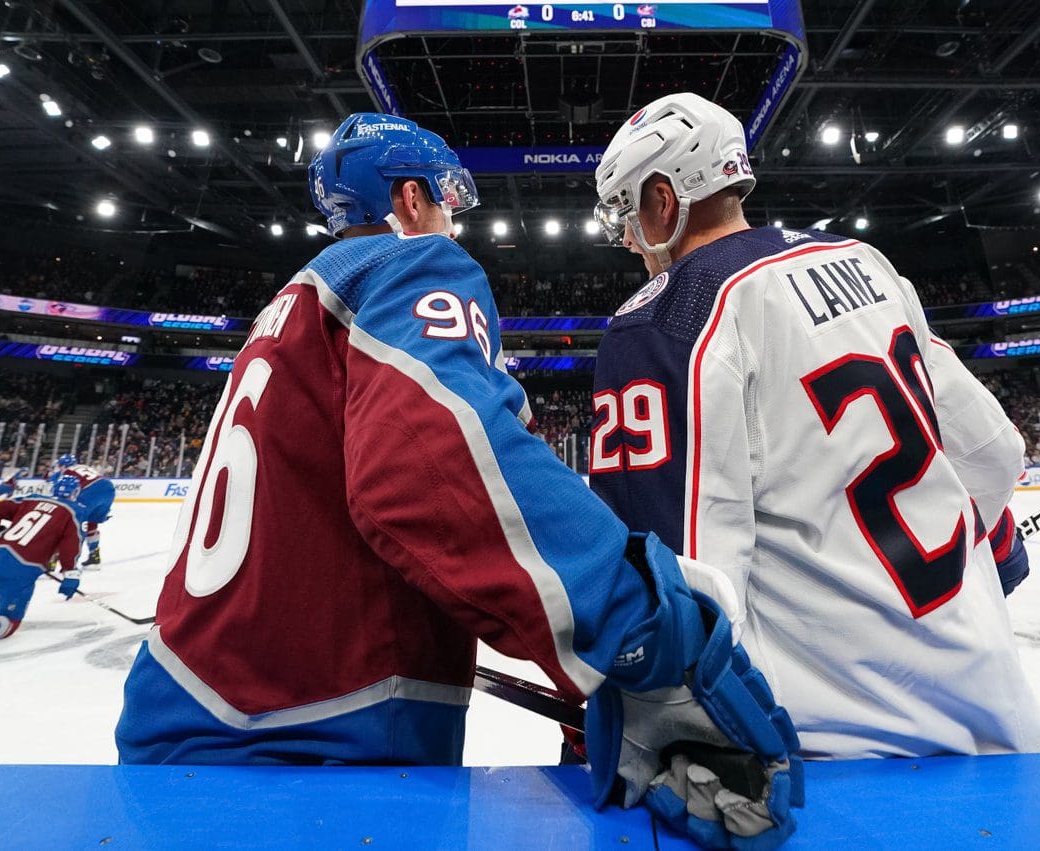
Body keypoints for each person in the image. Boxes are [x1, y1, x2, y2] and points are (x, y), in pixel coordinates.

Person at [115, 113, 802, 848]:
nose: (451, 220)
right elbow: (431, 469)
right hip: (312, 740)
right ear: (410, 200)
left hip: (186, 713)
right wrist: (639, 627)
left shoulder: (286, 309)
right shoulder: (409, 265)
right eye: (445, 199)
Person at [589, 92, 1040, 760]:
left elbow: (689, 593)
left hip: (838, 757)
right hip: (1000, 715)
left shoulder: (668, 319)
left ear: (663, 199)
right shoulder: (866, 262)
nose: (627, 238)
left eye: (628, 212)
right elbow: (995, 453)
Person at [0, 475, 86, 660]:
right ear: (76, 493)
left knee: (0, 578)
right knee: (10, 623)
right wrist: (70, 574)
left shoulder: (30, 499)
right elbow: (71, 544)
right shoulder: (74, 511)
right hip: (21, 569)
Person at [49, 454, 115, 566]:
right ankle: (94, 555)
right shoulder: (84, 467)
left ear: (63, 465)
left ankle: (58, 560)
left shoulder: (65, 473)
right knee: (91, 523)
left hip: (90, 491)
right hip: (109, 489)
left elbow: (57, 491)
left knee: (74, 525)